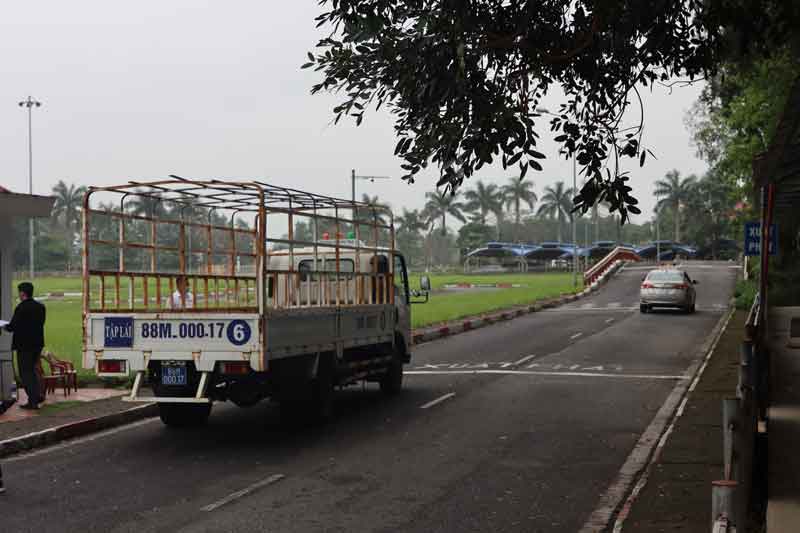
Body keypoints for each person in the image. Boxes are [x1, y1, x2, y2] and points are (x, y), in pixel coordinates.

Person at [4, 282, 46, 410]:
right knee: (32, 371)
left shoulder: (21, 308)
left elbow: (12, 327)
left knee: (25, 373)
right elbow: (41, 323)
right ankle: (38, 396)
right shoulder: (41, 307)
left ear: (22, 293)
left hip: (24, 346)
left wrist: (4, 326)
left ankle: (32, 401)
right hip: (37, 344)